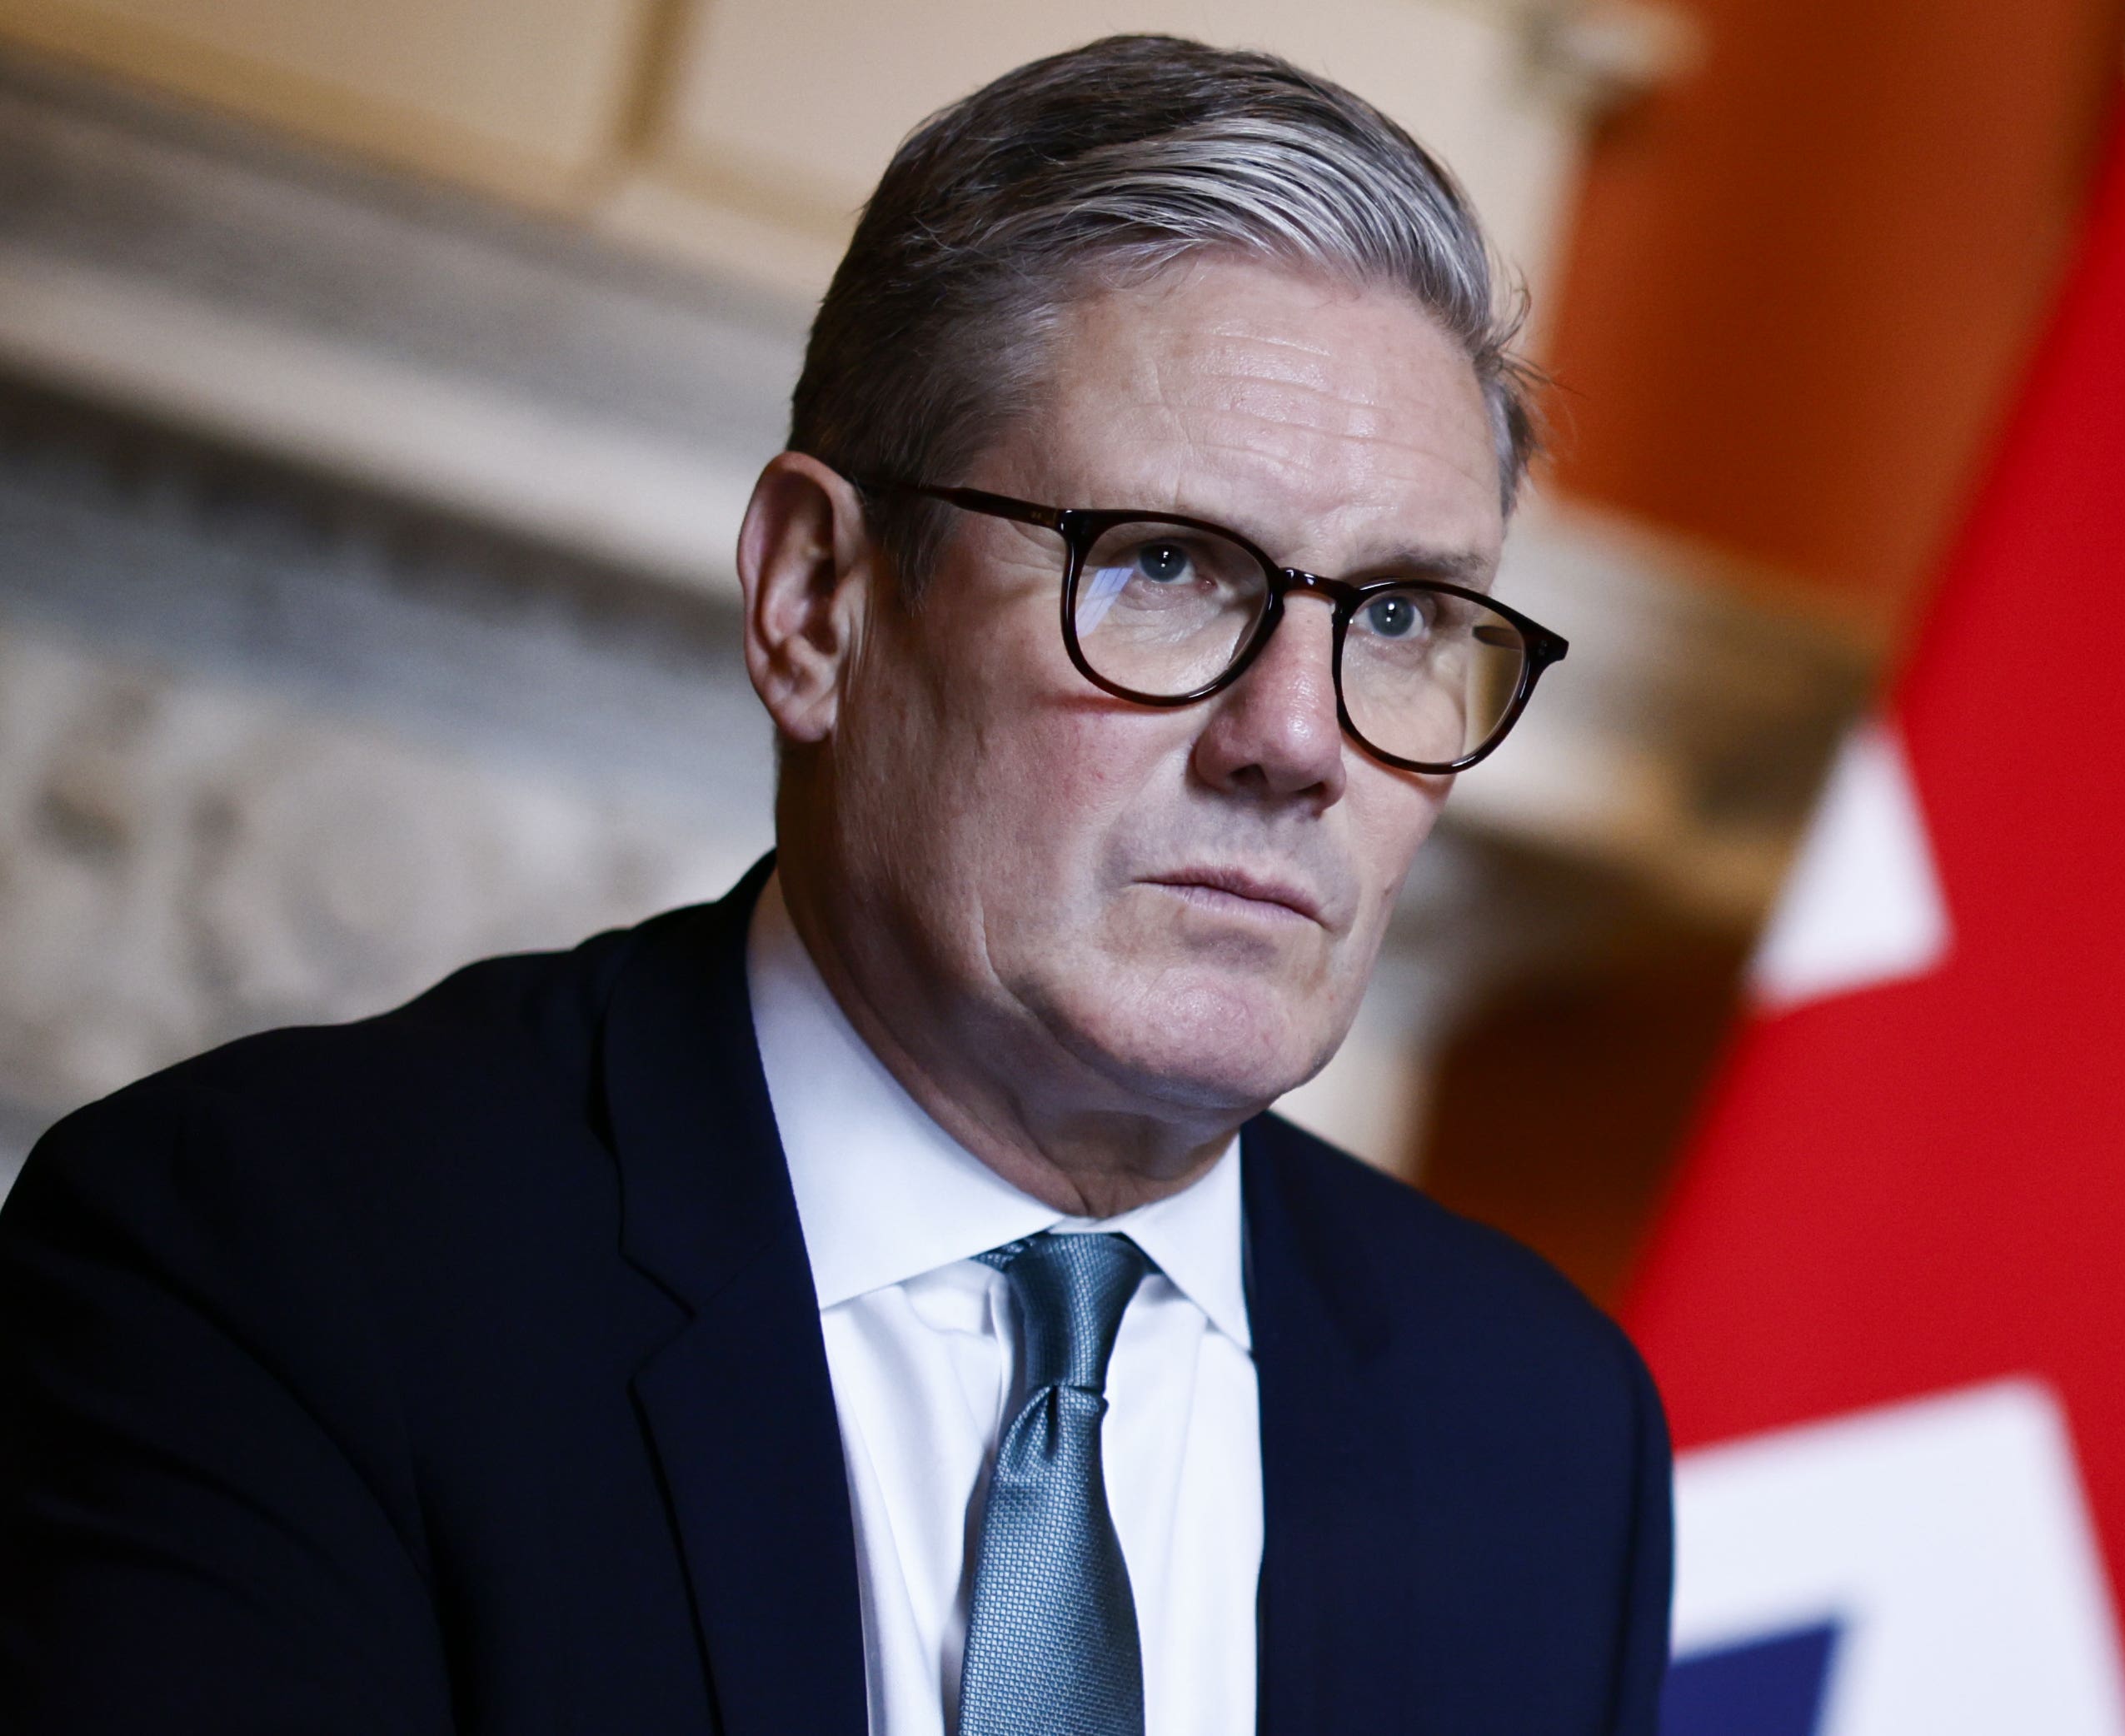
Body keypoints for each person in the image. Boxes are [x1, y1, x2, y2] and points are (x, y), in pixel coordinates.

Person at [0, 35, 1670, 1736]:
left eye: (1396, 616)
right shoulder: (272, 1259)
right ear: (816, 602)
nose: (1298, 738)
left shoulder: (1539, 1428)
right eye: (1164, 566)